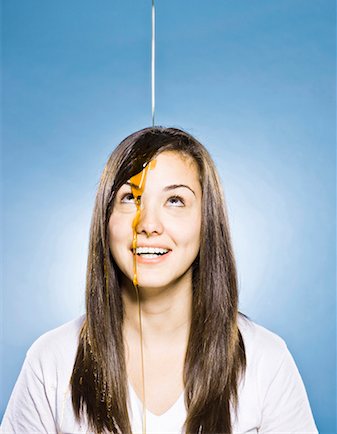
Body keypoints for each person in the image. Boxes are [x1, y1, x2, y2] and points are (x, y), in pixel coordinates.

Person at [1, 127, 318, 434]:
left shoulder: (267, 359)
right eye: (129, 198)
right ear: (105, 220)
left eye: (176, 200)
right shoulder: (51, 359)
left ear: (207, 222)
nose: (149, 224)